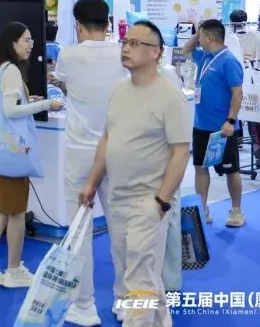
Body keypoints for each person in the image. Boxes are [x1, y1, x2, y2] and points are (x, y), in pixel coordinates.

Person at [79, 21, 191, 327]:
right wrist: (91, 182)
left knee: (140, 277)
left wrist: (161, 201)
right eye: (125, 42)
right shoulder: (119, 91)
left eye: (135, 44)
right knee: (135, 271)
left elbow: (181, 153)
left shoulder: (170, 96)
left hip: (148, 200)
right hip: (117, 198)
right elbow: (107, 139)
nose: (126, 48)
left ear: (156, 52)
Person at [51, 0, 127, 326]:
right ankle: (126, 301)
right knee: (121, 227)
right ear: (108, 23)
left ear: (78, 25)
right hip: (117, 149)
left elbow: (64, 84)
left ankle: (84, 305)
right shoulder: (123, 53)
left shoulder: (68, 55)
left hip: (80, 151)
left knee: (80, 229)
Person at [0, 22, 63, 289]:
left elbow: (0, 107)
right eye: (26, 39)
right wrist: (45, 104)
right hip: (11, 151)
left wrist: (28, 101)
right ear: (12, 43)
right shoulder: (11, 71)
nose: (30, 44)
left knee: (1, 212)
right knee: (16, 213)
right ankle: (13, 269)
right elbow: (10, 111)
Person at [181, 18, 246, 228]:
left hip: (223, 127)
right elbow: (185, 50)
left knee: (231, 170)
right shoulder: (204, 56)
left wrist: (230, 121)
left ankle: (236, 210)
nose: (198, 39)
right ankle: (203, 209)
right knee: (200, 167)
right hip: (201, 124)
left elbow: (237, 93)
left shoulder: (229, 61)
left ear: (209, 38)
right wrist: (197, 31)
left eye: (201, 36)